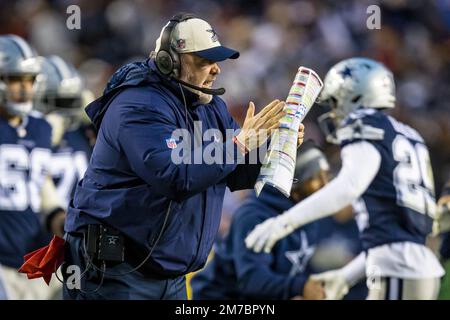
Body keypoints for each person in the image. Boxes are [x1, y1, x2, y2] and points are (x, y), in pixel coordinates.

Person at [62, 13, 303, 300]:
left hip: (170, 276)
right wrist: (239, 143)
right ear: (170, 61)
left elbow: (235, 171)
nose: (215, 70)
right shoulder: (136, 104)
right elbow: (174, 176)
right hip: (116, 271)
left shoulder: (210, 107)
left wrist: (277, 147)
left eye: (216, 62)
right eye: (204, 61)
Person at [245, 57, 444, 300]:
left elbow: (349, 186)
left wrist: (284, 222)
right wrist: (346, 275)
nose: (334, 112)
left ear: (355, 96)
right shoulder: (409, 135)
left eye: (336, 102)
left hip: (398, 271)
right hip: (410, 267)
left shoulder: (363, 125)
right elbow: (395, 237)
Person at [191, 141, 337, 299]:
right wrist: (300, 287)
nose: (325, 185)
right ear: (293, 184)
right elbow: (252, 281)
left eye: (327, 176)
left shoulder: (308, 213)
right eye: (315, 178)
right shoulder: (253, 216)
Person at [0, 35, 64, 299]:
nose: (24, 89)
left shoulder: (42, 127)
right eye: (15, 80)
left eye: (30, 80)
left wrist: (57, 217)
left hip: (34, 261)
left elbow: (41, 181)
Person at [34, 55, 95, 212]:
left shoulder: (82, 132)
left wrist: (97, 120)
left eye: (71, 102)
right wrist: (43, 139)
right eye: (58, 102)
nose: (66, 111)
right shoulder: (24, 134)